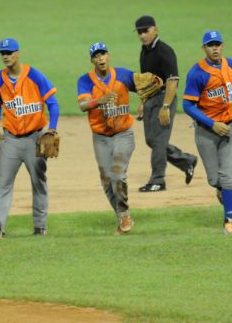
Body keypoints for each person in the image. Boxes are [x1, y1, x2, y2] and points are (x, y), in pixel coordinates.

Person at [0, 38, 60, 239]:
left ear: (18, 53)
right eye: (2, 53)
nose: (5, 56)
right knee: (4, 183)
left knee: (38, 182)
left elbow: (53, 103)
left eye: (9, 52)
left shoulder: (34, 75)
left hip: (34, 139)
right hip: (10, 140)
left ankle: (40, 227)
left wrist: (51, 129)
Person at [182, 30, 232, 235]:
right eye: (210, 45)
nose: (215, 48)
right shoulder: (197, 73)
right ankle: (221, 189)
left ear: (223, 46)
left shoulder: (230, 64)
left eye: (218, 44)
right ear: (204, 48)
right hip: (206, 131)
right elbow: (187, 105)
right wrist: (212, 123)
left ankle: (228, 220)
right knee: (215, 179)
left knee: (228, 175)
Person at [77, 42, 137, 235]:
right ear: (92, 60)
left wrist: (144, 102)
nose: (100, 58)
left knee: (117, 173)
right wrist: (98, 101)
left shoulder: (123, 75)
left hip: (123, 134)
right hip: (100, 137)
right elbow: (83, 105)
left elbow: (145, 87)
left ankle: (124, 213)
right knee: (106, 180)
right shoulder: (85, 80)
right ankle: (122, 215)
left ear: (108, 56)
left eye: (103, 54)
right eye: (96, 56)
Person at [134, 15, 197, 192]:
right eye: (139, 32)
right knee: (152, 140)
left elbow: (173, 81)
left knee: (159, 141)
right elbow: (147, 81)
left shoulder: (164, 51)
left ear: (156, 29)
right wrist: (142, 102)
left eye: (146, 31)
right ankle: (186, 160)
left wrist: (166, 106)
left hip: (164, 98)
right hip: (151, 99)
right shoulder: (144, 51)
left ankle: (158, 179)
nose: (142, 35)